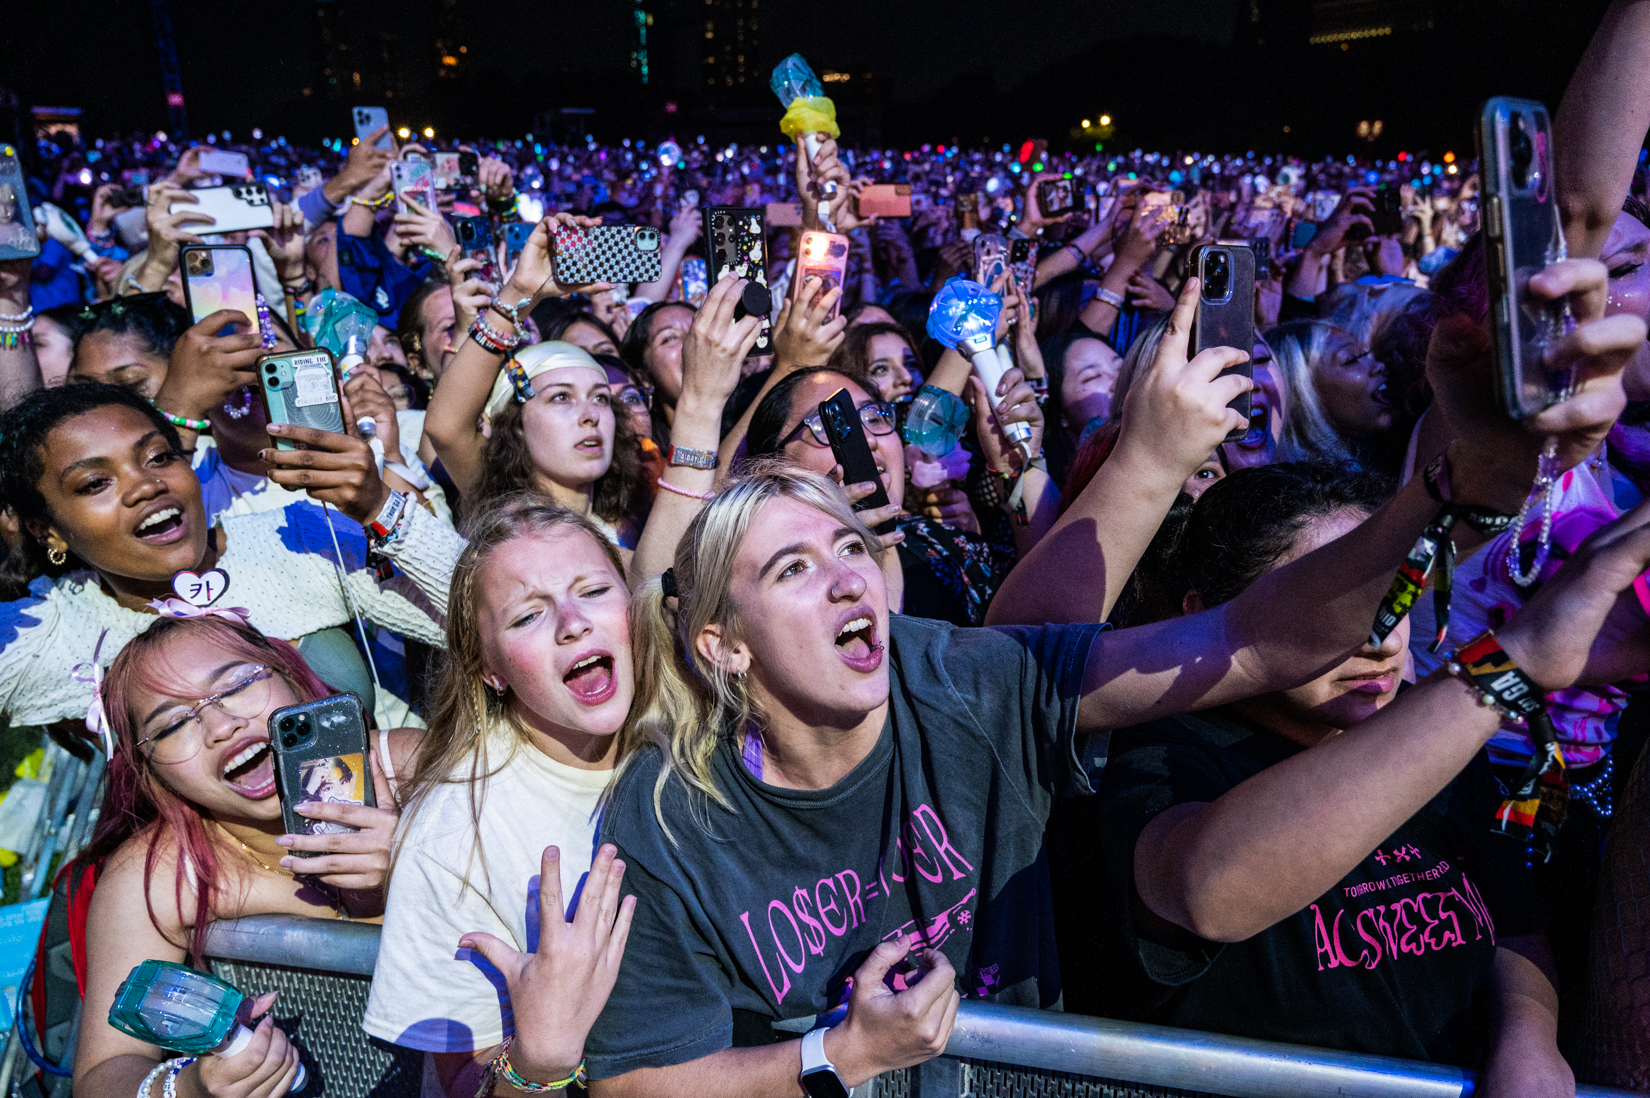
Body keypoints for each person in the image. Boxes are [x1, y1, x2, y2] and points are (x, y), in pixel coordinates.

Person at [1051, 464, 1571, 1079]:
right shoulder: (1156, 749)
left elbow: (1512, 924)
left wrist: (1530, 1043)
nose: (1380, 639)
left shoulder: (1430, 723)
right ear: (1209, 616)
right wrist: (1511, 664)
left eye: (1395, 594)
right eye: (1333, 608)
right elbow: (1207, 895)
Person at [363, 497, 639, 1098]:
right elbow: (464, 1086)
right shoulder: (453, 834)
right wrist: (541, 1054)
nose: (573, 622)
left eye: (593, 590)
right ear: (490, 669)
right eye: (526, 617)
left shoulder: (695, 736)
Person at [0, 383, 464, 733]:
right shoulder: (45, 632)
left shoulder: (297, 535)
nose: (146, 485)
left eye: (159, 457)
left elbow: (485, 619)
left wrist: (380, 509)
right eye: (95, 483)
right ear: (49, 531)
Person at [73, 613, 404, 1098]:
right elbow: (102, 1072)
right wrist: (189, 1088)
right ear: (152, 773)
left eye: (239, 684)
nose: (222, 725)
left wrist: (414, 865)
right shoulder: (160, 873)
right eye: (174, 725)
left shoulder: (414, 772)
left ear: (290, 676)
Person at [421, 215, 646, 547]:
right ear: (515, 425)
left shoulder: (635, 527)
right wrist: (519, 292)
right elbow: (445, 428)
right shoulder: (500, 508)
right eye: (560, 397)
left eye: (600, 398)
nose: (590, 414)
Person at [742, 366, 1025, 626]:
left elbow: (1038, 625)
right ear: (775, 466)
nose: (868, 439)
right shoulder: (778, 589)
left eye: (875, 417)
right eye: (834, 423)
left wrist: (1019, 468)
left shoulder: (945, 547)